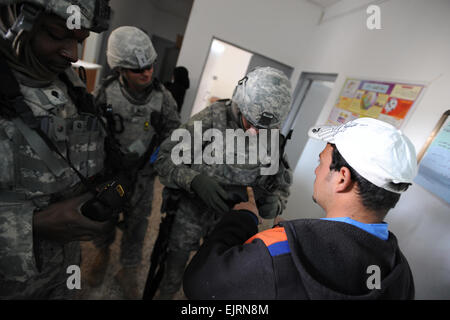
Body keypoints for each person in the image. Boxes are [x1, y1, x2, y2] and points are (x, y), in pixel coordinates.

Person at [183, 117, 417, 300]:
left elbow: (201, 284)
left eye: (321, 162)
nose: (316, 171)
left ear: (342, 179)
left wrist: (241, 219)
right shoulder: (401, 273)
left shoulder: (280, 248)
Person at [0, 0, 114, 299]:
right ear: (19, 19)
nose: (72, 55)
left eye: (80, 40)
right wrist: (32, 225)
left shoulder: (70, 86)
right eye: (55, 34)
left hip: (64, 270)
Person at [153, 66, 293, 299]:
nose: (255, 134)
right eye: (250, 124)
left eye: (264, 129)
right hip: (190, 215)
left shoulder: (273, 139)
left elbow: (282, 187)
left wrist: (275, 203)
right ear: (241, 105)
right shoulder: (212, 119)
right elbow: (164, 160)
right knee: (172, 270)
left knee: (218, 283)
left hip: (233, 225)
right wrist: (194, 180)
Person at [89, 26, 180, 299]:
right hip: (109, 173)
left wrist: (155, 161)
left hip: (142, 177)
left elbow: (173, 137)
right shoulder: (105, 93)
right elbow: (92, 132)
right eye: (138, 69)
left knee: (138, 225)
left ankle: (128, 270)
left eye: (150, 66)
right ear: (120, 70)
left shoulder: (163, 99)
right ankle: (101, 252)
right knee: (103, 219)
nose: (147, 73)